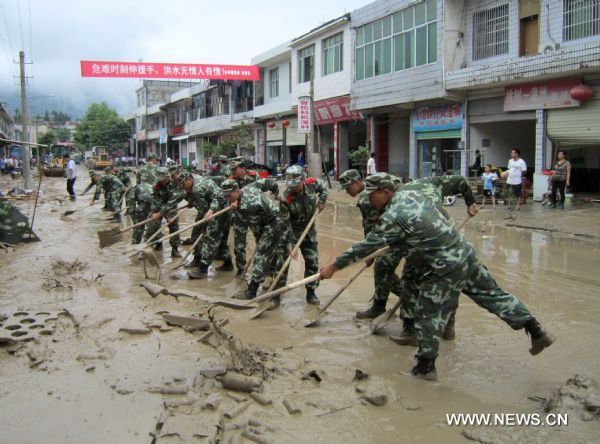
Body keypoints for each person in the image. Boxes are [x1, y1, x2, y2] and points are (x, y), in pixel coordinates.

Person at [319, 174, 554, 380]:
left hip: (444, 266)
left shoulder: (395, 216)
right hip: (464, 253)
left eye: (372, 196)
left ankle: (425, 368)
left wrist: (333, 267)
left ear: (386, 192)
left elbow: (366, 245)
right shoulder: (418, 190)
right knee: (493, 295)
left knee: (427, 311)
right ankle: (536, 331)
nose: (369, 201)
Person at [220, 179, 291, 300]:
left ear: (237, 191)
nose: (227, 198)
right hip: (273, 221)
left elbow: (257, 229)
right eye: (225, 195)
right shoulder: (248, 188)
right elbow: (267, 182)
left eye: (229, 195)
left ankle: (252, 290)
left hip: (274, 224)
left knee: (260, 255)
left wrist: (260, 241)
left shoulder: (247, 206)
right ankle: (269, 279)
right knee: (269, 254)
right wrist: (276, 192)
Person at [279, 164, 328, 305]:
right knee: (282, 263)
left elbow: (324, 187)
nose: (293, 188)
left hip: (309, 230)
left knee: (312, 262)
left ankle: (311, 292)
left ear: (303, 180)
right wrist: (289, 245)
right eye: (291, 185)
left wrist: (322, 202)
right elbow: (285, 223)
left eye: (296, 184)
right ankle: (276, 294)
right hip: (292, 231)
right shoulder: (285, 198)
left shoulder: (312, 184)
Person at [147, 167, 182, 258]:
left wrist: (168, 216)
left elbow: (172, 202)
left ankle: (175, 249)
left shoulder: (175, 184)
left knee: (174, 227)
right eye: (160, 180)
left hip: (171, 206)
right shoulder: (156, 186)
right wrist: (156, 215)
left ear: (167, 177)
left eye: (163, 179)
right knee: (152, 224)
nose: (162, 181)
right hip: (159, 206)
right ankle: (156, 243)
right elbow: (157, 203)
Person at [505, 148, 527, 215]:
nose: (511, 154)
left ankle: (518, 206)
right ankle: (509, 206)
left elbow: (524, 171)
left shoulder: (521, 162)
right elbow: (509, 169)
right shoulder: (510, 161)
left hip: (517, 180)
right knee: (509, 193)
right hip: (509, 180)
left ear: (517, 154)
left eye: (513, 153)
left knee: (518, 194)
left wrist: (519, 175)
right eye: (511, 153)